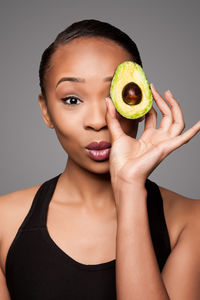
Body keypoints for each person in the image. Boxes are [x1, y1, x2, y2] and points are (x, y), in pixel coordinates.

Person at [0, 19, 200, 300]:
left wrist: (129, 188)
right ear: (46, 111)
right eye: (72, 100)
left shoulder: (192, 220)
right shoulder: (3, 223)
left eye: (115, 95)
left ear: (139, 103)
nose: (97, 121)